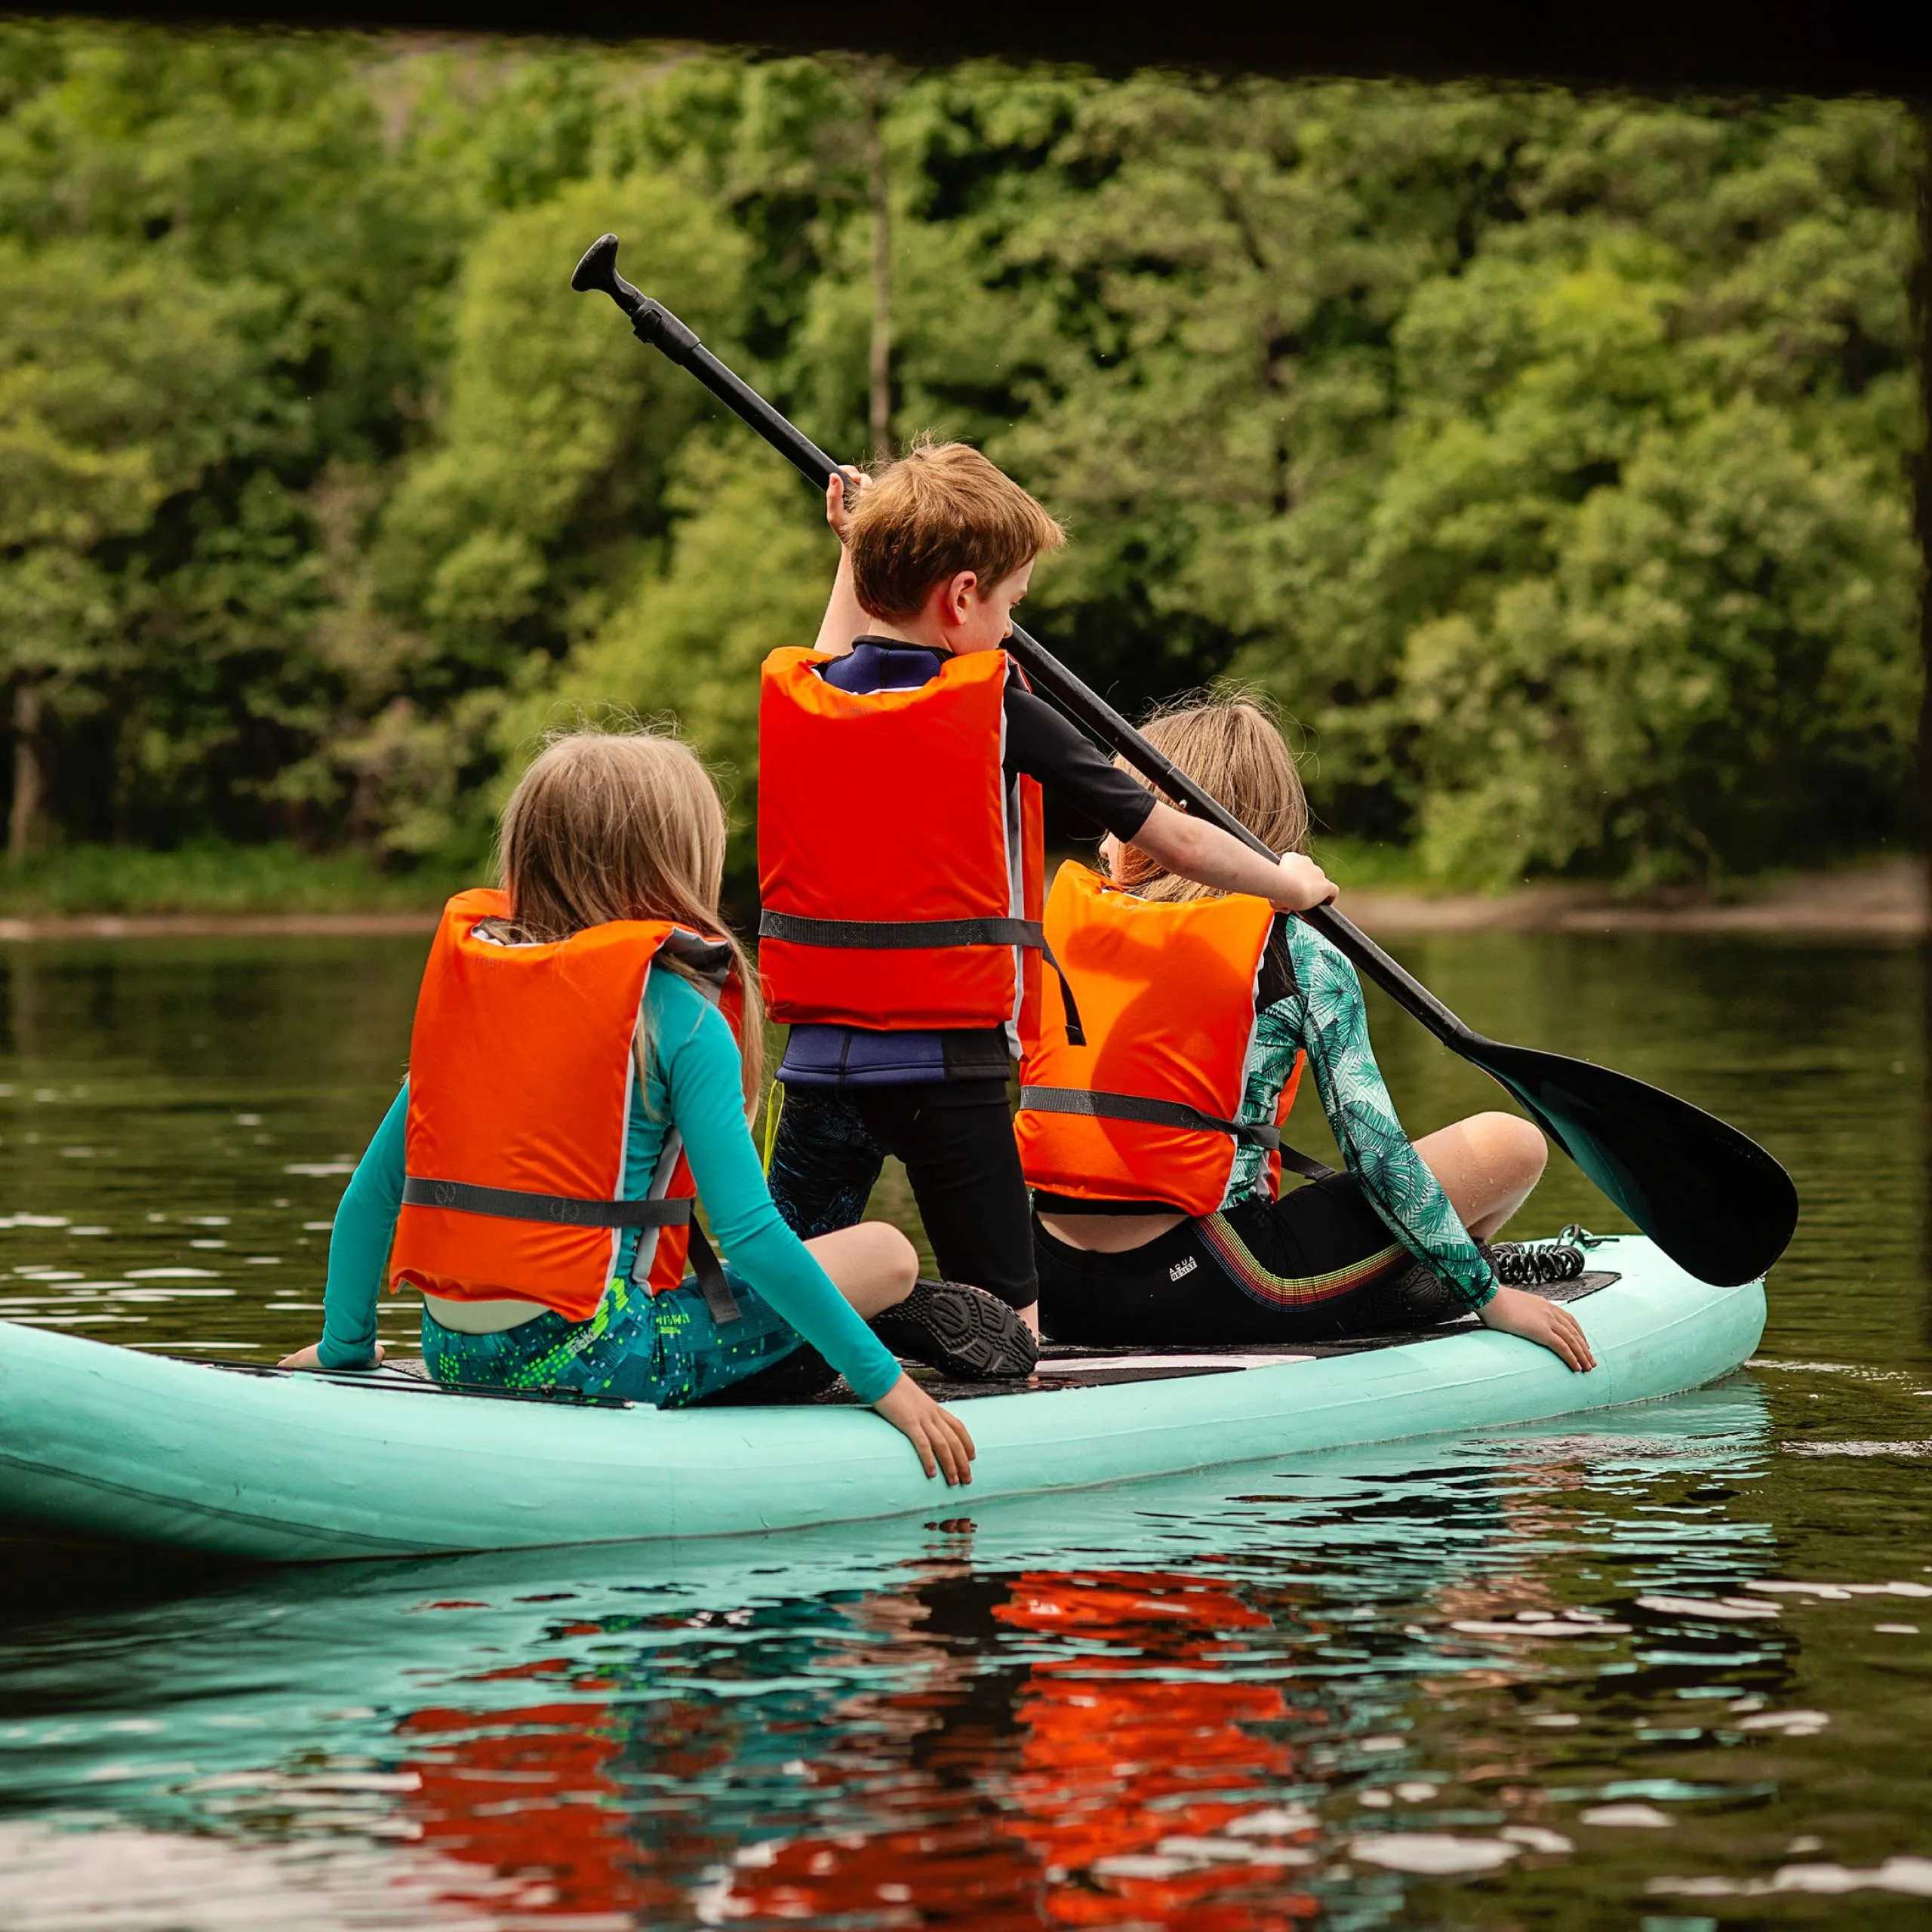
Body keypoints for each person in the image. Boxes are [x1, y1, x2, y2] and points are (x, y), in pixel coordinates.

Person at [278, 728, 984, 1486]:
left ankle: (802, 1349)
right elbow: (748, 1236)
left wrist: (345, 1348)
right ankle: (829, 1353)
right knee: (885, 1253)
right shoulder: (682, 1016)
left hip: (456, 1353)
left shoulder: (475, 1007)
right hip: (601, 1359)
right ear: (672, 866)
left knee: (696, 1287)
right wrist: (890, 1388)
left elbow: (367, 1200)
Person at [758, 438, 1340, 1346]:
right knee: (1012, 1340)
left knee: (778, 1302)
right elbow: (1171, 831)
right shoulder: (998, 711)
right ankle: (917, 1322)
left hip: (817, 1069)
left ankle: (845, 1326)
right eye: (1010, 604)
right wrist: (1283, 881)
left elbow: (847, 642)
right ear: (959, 597)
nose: (1008, 629)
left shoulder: (806, 693)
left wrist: (851, 546)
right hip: (947, 1080)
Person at [1017, 698, 1595, 1370]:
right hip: (1215, 1285)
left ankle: (1420, 1274)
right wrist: (1490, 1297)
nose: (1107, 840)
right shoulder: (1296, 949)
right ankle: (1446, 1280)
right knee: (1511, 1141)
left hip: (1046, 1283)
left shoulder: (1052, 934)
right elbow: (1377, 1156)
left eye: (1120, 814)